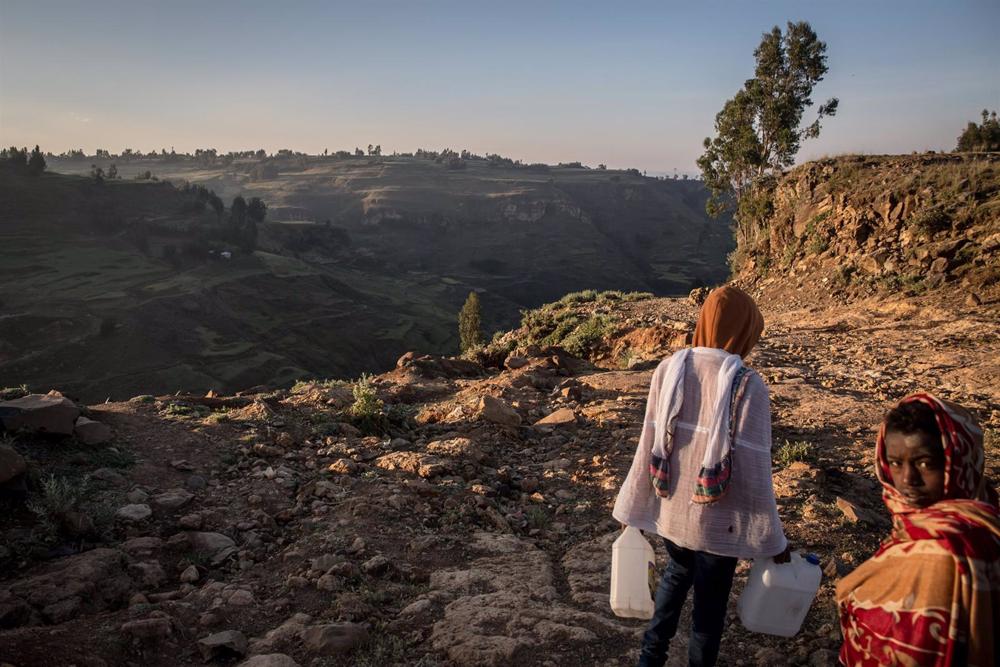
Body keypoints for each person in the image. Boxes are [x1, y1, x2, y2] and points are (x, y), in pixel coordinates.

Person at [613, 285, 788, 667]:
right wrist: (773, 539)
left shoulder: (669, 369)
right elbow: (756, 469)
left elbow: (649, 442)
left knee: (675, 574)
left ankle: (650, 658)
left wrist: (634, 508)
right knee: (709, 609)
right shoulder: (748, 384)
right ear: (745, 330)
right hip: (718, 521)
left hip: (672, 511)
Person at [836, 393, 1000, 666]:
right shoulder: (981, 519)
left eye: (925, 463)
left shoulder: (944, 548)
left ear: (956, 460)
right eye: (896, 463)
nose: (908, 479)